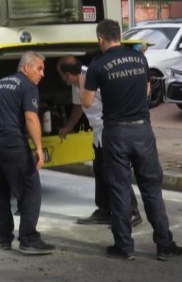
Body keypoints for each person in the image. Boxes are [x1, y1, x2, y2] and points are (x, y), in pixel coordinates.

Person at [80, 19, 182, 261]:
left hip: (116, 133)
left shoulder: (98, 64)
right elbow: (147, 92)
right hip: (143, 131)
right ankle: (164, 244)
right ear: (121, 36)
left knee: (119, 189)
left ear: (100, 40)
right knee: (151, 189)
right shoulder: (140, 59)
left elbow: (86, 102)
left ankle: (124, 247)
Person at [0, 51, 55, 255]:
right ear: (27, 67)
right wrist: (39, 148)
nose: (42, 74)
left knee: (0, 192)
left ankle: (4, 238)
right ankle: (28, 239)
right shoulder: (28, 87)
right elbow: (31, 118)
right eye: (39, 68)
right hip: (11, 143)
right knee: (30, 188)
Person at [56, 56, 142, 228]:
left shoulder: (93, 77)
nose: (63, 79)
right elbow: (79, 106)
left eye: (62, 75)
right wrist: (69, 126)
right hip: (98, 133)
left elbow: (114, 101)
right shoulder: (76, 83)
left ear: (67, 74)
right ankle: (104, 210)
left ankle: (132, 212)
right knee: (100, 171)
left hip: (111, 131)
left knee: (116, 173)